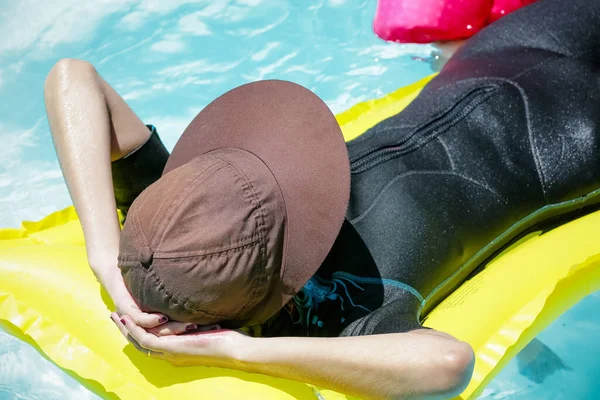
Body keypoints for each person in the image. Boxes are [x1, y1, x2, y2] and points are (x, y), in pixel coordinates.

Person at [43, 0, 599, 398]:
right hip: (564, 123)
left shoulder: (185, 226)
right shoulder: (341, 309)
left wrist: (107, 260)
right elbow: (448, 363)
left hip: (519, 69)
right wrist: (239, 351)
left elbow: (72, 78)